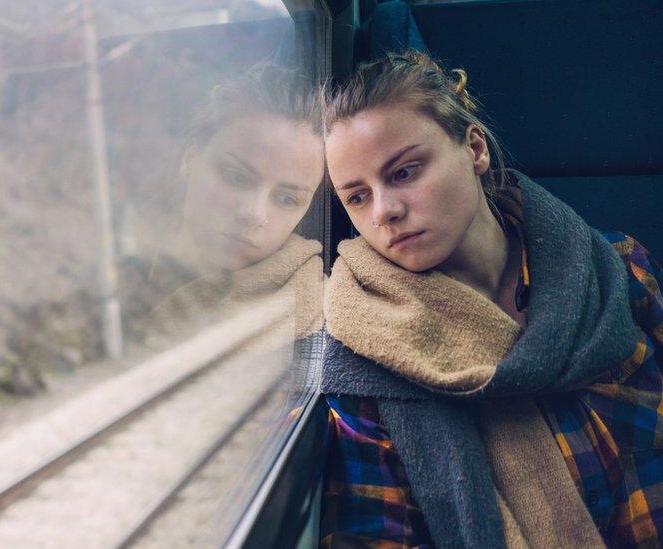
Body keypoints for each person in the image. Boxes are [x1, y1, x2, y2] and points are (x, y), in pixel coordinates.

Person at [320, 50, 663, 548]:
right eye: (357, 197)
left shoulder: (620, 268)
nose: (385, 211)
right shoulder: (368, 359)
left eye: (404, 172)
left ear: (475, 150)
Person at [138, 65, 328, 350]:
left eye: (287, 199)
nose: (253, 214)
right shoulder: (113, 276)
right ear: (190, 157)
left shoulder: (323, 318)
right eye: (237, 177)